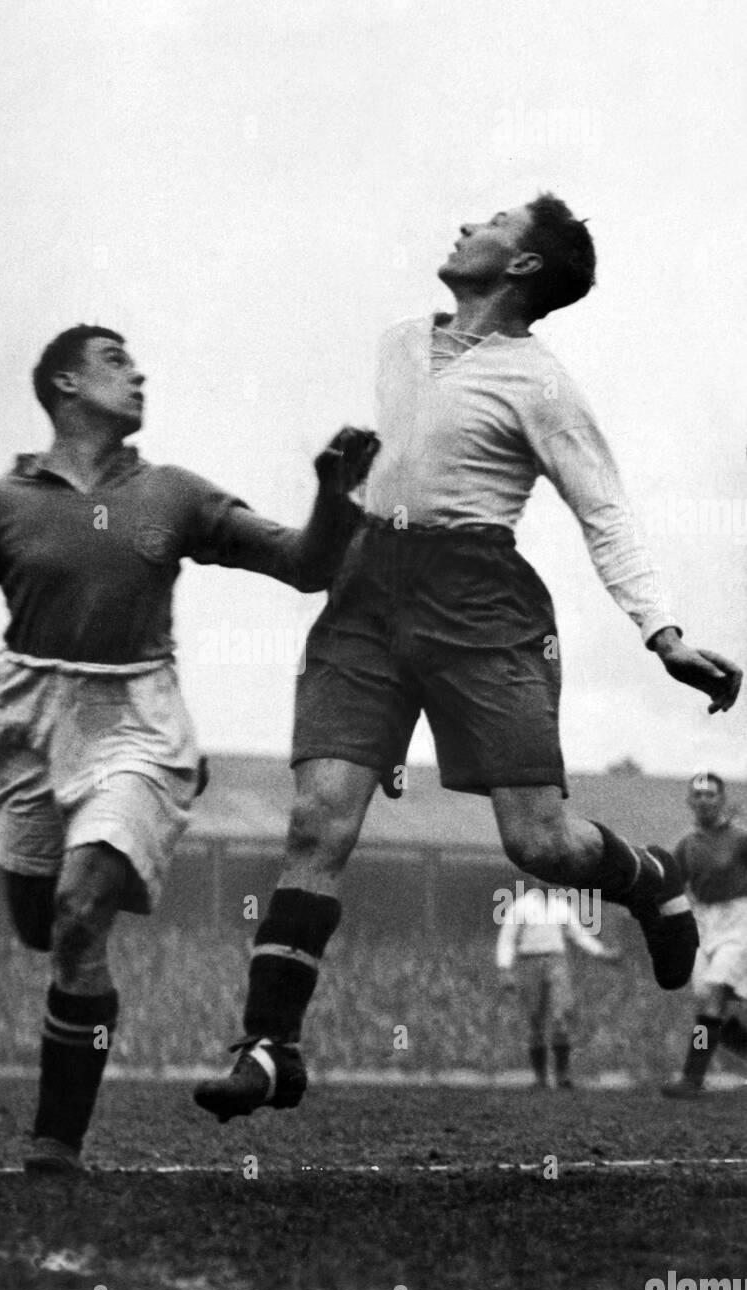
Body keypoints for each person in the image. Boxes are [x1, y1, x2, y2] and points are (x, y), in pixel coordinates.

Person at [195, 193, 742, 1123]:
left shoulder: (543, 384)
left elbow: (602, 509)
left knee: (538, 843)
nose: (465, 224)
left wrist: (664, 633)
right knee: (318, 822)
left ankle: (650, 879)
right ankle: (269, 1046)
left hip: (478, 600)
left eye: (492, 219)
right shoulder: (400, 342)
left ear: (522, 266)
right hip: (369, 592)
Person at [0, 324, 374, 1173]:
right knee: (41, 925)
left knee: (80, 912)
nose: (139, 371)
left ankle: (54, 1145)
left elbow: (305, 565)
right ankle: (64, 1057)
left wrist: (334, 498)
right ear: (63, 386)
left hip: (137, 724)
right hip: (29, 724)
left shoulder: (174, 494)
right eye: (115, 359)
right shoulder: (0, 507)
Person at [661, 772, 747, 1098]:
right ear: (689, 802)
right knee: (709, 1005)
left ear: (722, 800)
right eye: (697, 795)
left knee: (712, 996)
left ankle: (691, 1078)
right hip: (705, 923)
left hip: (739, 920)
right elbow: (671, 886)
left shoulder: (741, 839)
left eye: (711, 794)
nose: (704, 800)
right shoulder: (686, 844)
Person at [496, 885, 619, 1089]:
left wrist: (601, 953)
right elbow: (507, 938)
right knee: (535, 1019)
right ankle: (540, 1077)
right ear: (533, 879)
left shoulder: (561, 906)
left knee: (561, 1015)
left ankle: (562, 1075)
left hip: (556, 960)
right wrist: (504, 969)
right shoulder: (521, 905)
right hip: (529, 961)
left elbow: (579, 935)